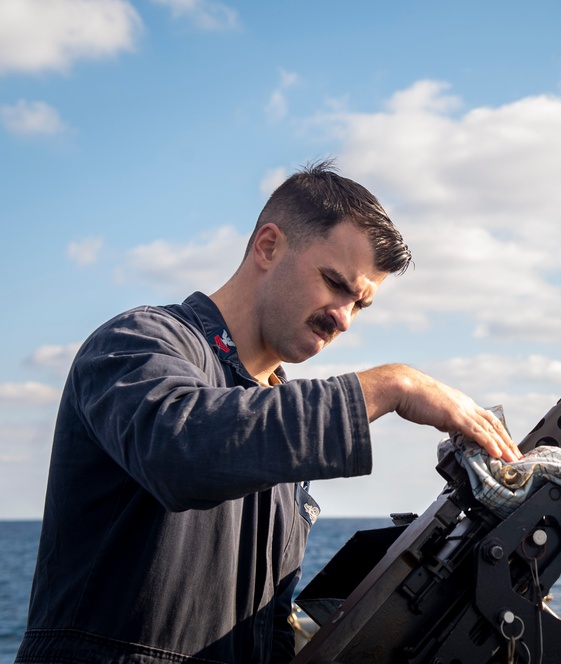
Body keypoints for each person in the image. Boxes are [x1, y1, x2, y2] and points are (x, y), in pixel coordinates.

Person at [16, 161, 521, 664]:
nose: (343, 318)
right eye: (334, 282)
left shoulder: (283, 439)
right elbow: (180, 450)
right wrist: (391, 386)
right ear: (268, 246)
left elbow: (267, 631)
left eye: (360, 304)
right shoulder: (137, 342)